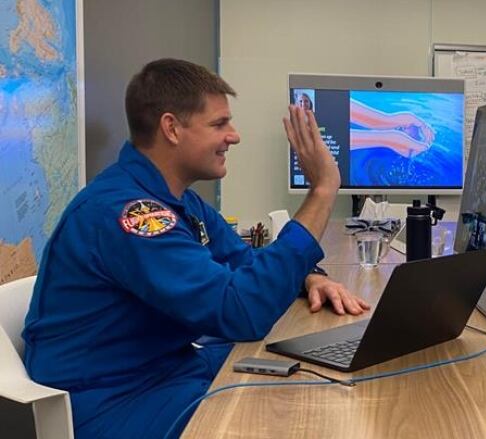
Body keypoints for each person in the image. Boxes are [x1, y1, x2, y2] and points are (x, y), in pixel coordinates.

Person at [22, 58, 369, 438]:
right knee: (296, 419)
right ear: (171, 128)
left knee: (317, 386)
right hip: (117, 401)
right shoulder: (130, 215)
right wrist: (323, 190)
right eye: (219, 124)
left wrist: (308, 276)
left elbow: (244, 262)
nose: (233, 136)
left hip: (169, 369)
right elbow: (242, 311)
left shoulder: (178, 201)